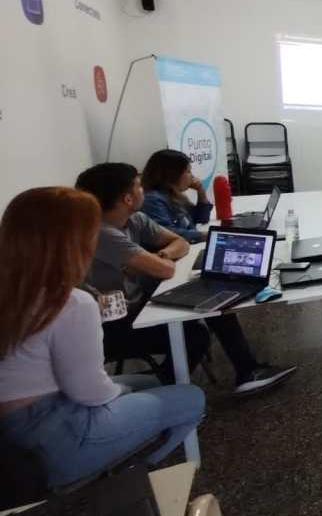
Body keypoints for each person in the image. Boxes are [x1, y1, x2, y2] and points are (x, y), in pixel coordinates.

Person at [0, 187, 204, 488]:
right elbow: (91, 394)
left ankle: (122, 455)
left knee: (149, 383)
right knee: (193, 398)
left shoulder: (15, 290)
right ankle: (130, 474)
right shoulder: (70, 303)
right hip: (57, 437)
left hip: (13, 434)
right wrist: (120, 394)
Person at [75, 163, 296, 396]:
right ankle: (160, 395)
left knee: (214, 297)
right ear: (127, 198)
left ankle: (247, 371)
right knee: (195, 334)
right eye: (139, 186)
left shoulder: (135, 219)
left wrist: (160, 256)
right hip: (110, 327)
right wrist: (160, 262)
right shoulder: (102, 233)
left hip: (136, 305)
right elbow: (166, 271)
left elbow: (179, 242)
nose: (144, 190)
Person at [141, 149, 213, 244]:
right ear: (173, 175)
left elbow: (202, 218)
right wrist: (205, 236)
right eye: (188, 171)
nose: (192, 176)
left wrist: (201, 191)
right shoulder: (153, 200)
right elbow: (169, 234)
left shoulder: (175, 195)